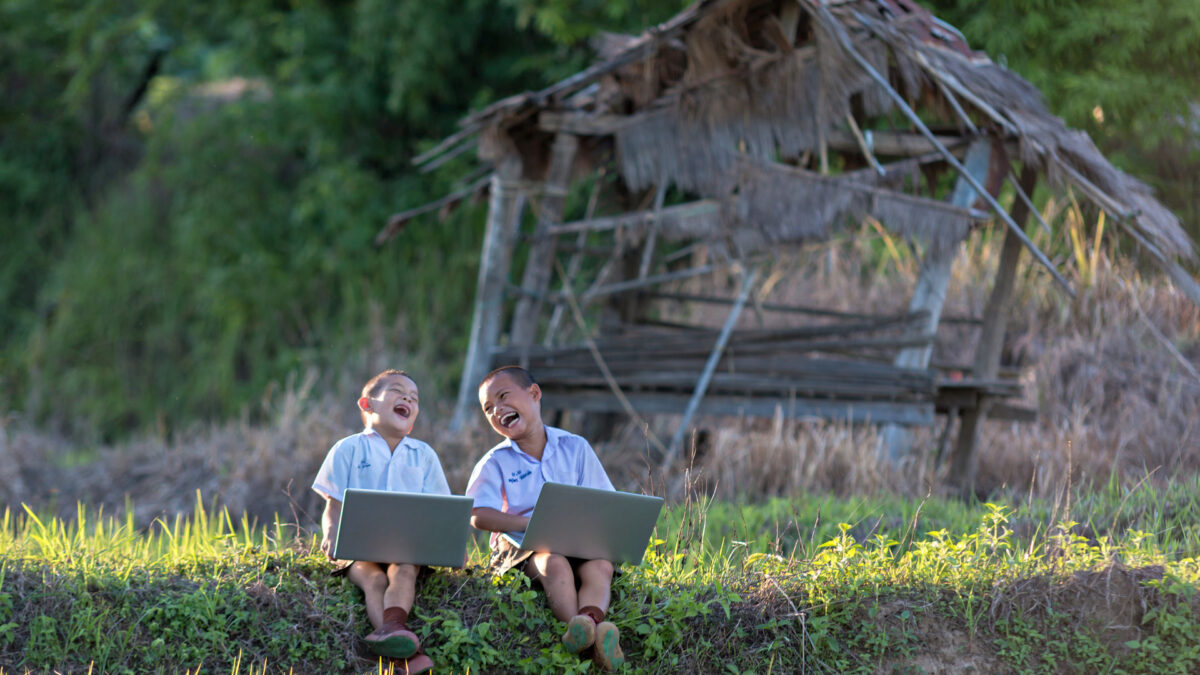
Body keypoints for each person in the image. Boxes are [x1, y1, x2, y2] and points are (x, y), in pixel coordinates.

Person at [465, 365, 625, 672]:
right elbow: (477, 514)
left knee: (601, 565)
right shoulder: (496, 461)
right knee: (554, 563)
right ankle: (579, 630)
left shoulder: (574, 447)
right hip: (522, 543)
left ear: (534, 394)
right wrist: (528, 524)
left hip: (574, 537)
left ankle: (589, 622)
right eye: (488, 408)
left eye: (503, 396)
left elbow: (605, 500)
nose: (497, 410)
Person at [312, 369, 448, 675]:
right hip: (358, 547)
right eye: (398, 392)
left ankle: (393, 628)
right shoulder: (348, 448)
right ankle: (403, 652)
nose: (407, 399)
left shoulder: (423, 454)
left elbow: (440, 510)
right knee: (374, 580)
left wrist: (450, 545)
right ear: (367, 404)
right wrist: (331, 533)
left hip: (405, 548)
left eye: (414, 398)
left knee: (405, 570)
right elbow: (334, 504)